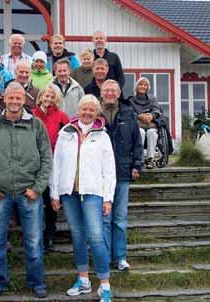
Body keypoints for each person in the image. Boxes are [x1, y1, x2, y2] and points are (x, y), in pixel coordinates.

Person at [0, 82, 51, 299]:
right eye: (11, 98)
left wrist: (38, 188)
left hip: (30, 193)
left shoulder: (36, 125)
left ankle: (37, 282)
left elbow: (46, 158)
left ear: (24, 100)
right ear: (4, 99)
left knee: (34, 241)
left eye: (19, 98)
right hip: (1, 193)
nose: (15, 102)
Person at [50, 95, 115, 302]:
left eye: (92, 110)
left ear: (97, 113)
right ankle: (83, 280)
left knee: (96, 237)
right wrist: (54, 192)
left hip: (93, 192)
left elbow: (109, 169)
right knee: (77, 236)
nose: (87, 113)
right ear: (78, 111)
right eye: (84, 109)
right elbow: (56, 164)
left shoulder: (102, 136)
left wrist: (108, 198)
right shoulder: (66, 132)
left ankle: (105, 285)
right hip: (69, 193)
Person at [100, 79, 142, 272]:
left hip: (123, 173)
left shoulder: (128, 113)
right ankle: (105, 258)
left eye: (113, 90)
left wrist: (137, 165)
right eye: (106, 90)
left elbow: (137, 142)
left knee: (120, 219)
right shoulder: (95, 113)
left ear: (118, 93)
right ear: (101, 93)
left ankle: (120, 257)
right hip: (99, 176)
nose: (109, 93)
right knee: (104, 219)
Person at [32, 84, 70, 253]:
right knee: (35, 201)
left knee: (51, 200)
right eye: (46, 96)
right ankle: (36, 236)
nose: (48, 99)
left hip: (54, 163)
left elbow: (69, 137)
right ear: (40, 97)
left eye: (52, 97)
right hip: (34, 164)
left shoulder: (61, 116)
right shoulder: (32, 115)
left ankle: (49, 236)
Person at [129, 77, 161, 169]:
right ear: (136, 87)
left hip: (150, 123)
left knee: (151, 133)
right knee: (140, 132)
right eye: (140, 84)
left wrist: (151, 116)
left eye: (145, 85)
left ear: (147, 88)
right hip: (137, 124)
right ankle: (139, 158)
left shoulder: (153, 99)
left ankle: (150, 159)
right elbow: (129, 112)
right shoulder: (131, 100)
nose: (142, 86)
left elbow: (156, 110)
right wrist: (139, 116)